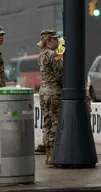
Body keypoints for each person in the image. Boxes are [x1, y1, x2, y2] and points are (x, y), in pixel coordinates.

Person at [37, 29, 62, 165]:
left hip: (43, 91)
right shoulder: (54, 55)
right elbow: (60, 75)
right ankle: (52, 153)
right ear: (49, 41)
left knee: (46, 122)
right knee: (55, 122)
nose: (58, 42)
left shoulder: (41, 55)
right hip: (54, 92)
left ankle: (47, 153)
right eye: (55, 39)